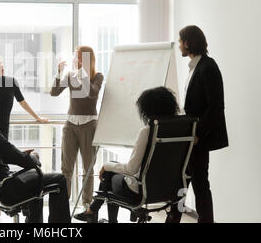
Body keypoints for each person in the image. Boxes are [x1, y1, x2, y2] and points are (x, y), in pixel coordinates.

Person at [74, 86, 180, 223]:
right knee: (112, 169)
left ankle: (96, 213)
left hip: (141, 190)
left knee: (109, 174)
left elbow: (131, 169)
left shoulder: (147, 132)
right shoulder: (180, 131)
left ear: (147, 109)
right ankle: (93, 211)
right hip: (169, 189)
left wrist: (107, 165)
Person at [0, 90, 71, 223]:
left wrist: (20, 155)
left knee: (35, 183)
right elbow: (20, 159)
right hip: (5, 188)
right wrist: (33, 157)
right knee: (60, 179)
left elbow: (2, 155)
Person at [0, 52, 48, 218]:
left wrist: (38, 118)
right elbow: (23, 102)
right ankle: (14, 203)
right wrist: (37, 118)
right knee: (2, 166)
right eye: (0, 64)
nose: (3, 67)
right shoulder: (7, 82)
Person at [166, 25, 228, 223]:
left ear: (188, 43)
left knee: (199, 185)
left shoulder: (208, 67)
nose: (179, 46)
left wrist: (198, 133)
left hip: (199, 139)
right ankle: (174, 219)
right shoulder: (196, 67)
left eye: (180, 41)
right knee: (183, 181)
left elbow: (216, 107)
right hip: (189, 137)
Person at [50, 46, 104, 209]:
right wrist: (59, 72)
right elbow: (54, 92)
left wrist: (82, 72)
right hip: (70, 125)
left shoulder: (97, 76)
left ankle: (87, 204)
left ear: (88, 59)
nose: (76, 60)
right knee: (66, 168)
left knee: (88, 168)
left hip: (89, 125)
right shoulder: (71, 75)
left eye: (79, 57)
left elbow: (91, 93)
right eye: (75, 57)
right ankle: (63, 205)